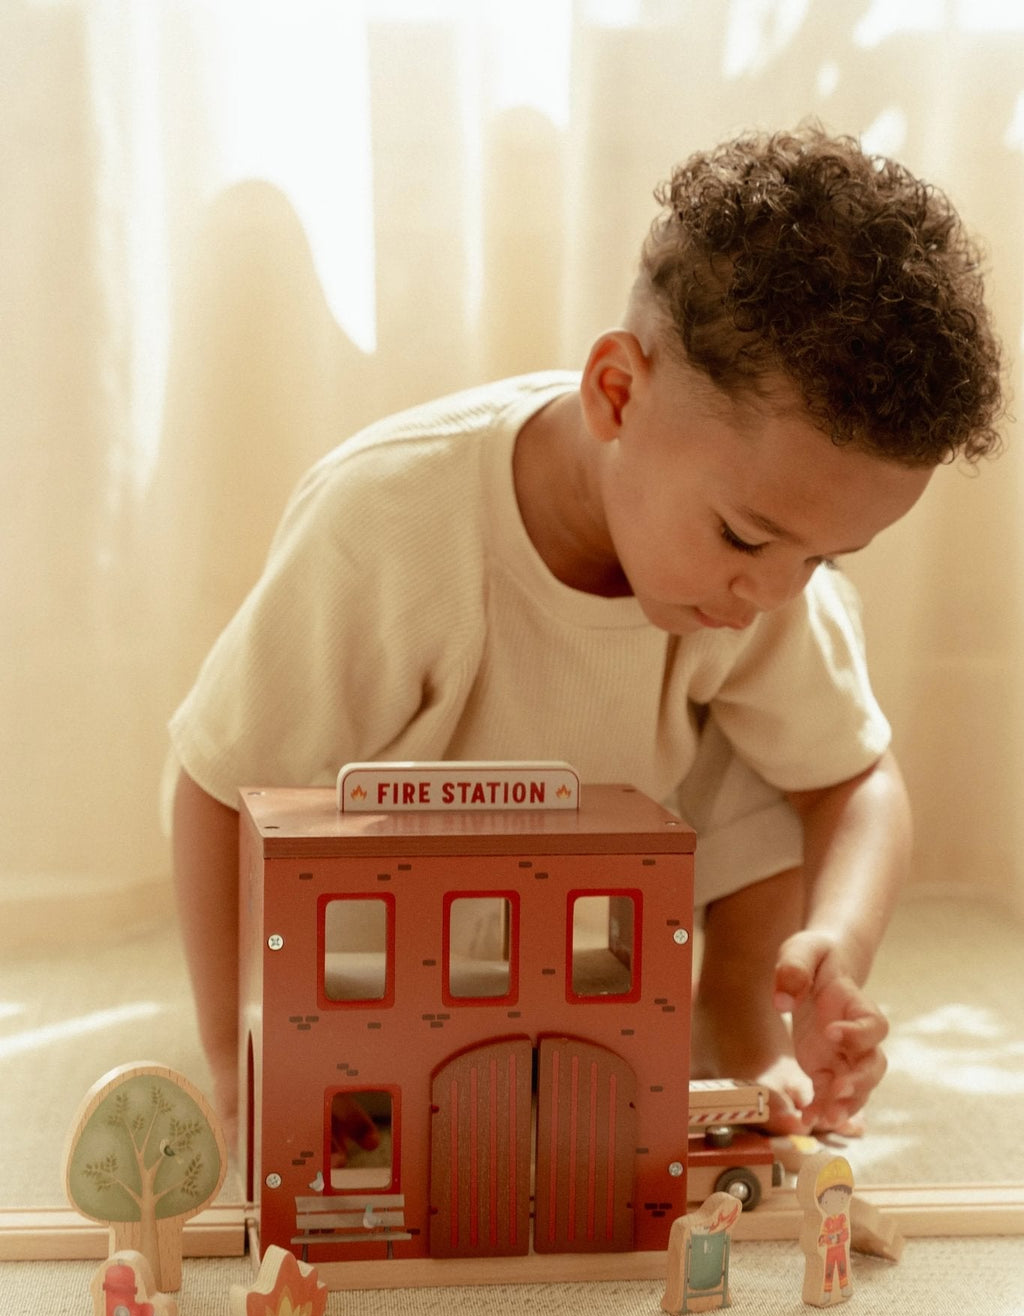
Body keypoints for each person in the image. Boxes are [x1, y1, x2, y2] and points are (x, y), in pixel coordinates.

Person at [169, 124, 1003, 1151]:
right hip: (405, 899)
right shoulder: (387, 527)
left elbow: (854, 778)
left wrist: (834, 945)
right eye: (747, 537)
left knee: (780, 745)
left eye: (826, 559)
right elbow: (215, 782)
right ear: (616, 392)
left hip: (614, 913)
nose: (774, 592)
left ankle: (730, 1024)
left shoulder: (762, 577)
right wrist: (235, 1057)